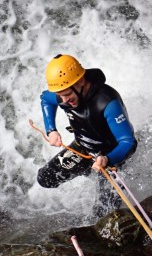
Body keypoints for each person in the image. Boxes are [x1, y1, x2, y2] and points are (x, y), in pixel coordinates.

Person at [37, 54, 137, 191]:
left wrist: (107, 159)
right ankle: (88, 170)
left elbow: (128, 142)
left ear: (81, 81)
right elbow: (46, 99)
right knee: (45, 178)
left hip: (110, 154)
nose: (63, 100)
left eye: (66, 95)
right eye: (60, 95)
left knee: (104, 209)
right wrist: (51, 130)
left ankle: (98, 171)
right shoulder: (64, 93)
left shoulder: (107, 102)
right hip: (83, 147)